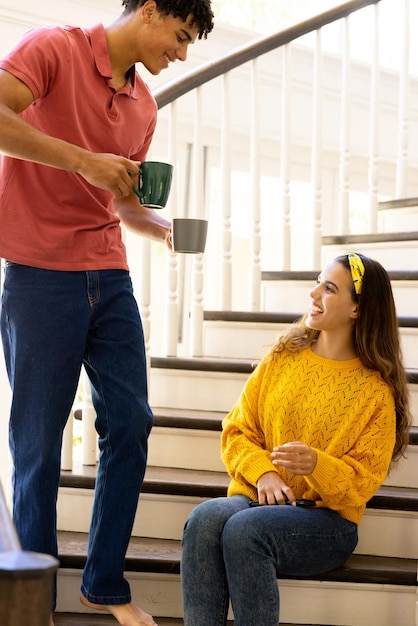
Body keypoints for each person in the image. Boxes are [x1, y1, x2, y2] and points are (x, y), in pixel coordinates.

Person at [0, 1, 214, 625]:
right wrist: (82, 158)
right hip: (40, 274)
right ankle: (30, 598)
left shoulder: (143, 106)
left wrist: (162, 228)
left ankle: (103, 581)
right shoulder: (53, 48)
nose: (180, 54)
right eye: (178, 36)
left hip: (108, 274)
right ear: (149, 10)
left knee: (132, 421)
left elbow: (121, 202)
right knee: (37, 443)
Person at [181, 252, 411, 626]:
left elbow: (362, 481)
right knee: (205, 519)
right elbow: (237, 429)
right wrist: (263, 473)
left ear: (357, 309)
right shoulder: (283, 357)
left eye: (330, 288)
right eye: (318, 282)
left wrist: (317, 465)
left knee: (244, 530)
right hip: (258, 497)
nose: (314, 293)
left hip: (326, 523)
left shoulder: (375, 392)